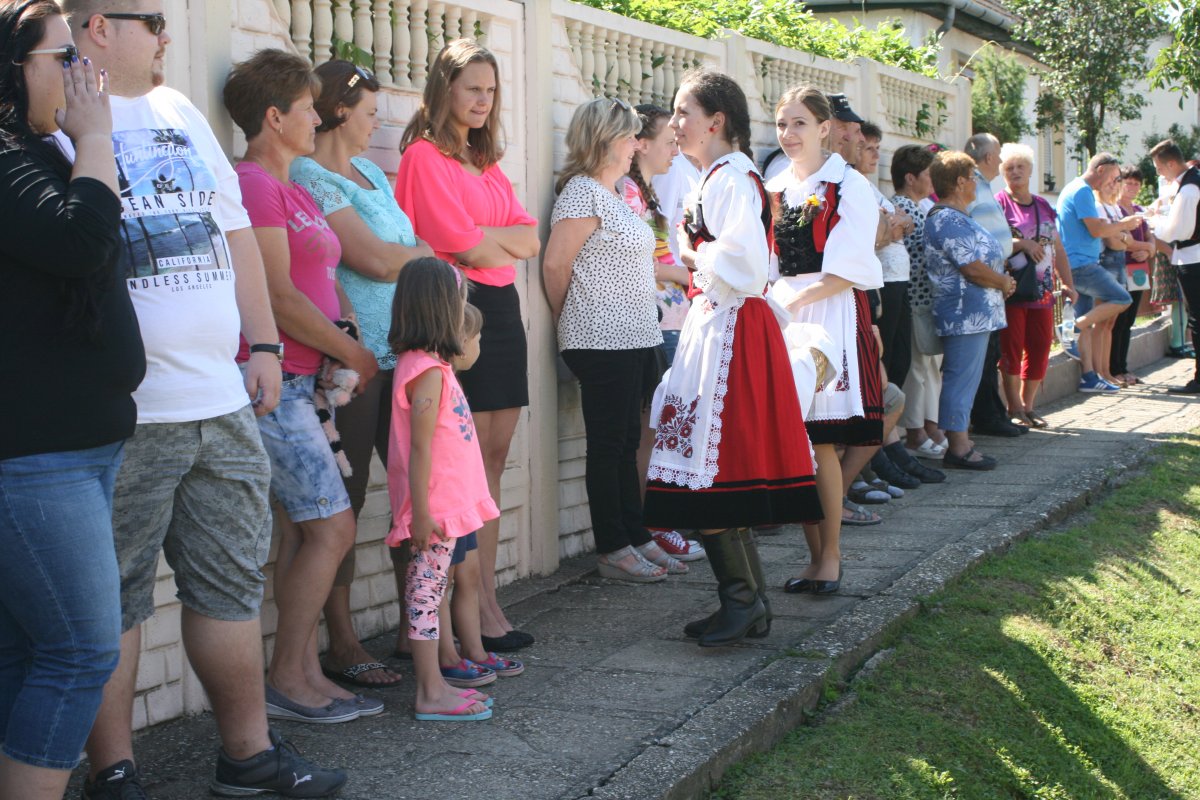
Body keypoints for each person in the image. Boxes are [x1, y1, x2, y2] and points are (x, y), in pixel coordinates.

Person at [63, 1, 345, 796]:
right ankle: (112, 775)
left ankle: (248, 760)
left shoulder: (179, 108)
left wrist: (258, 344)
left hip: (219, 401)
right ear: (97, 28)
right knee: (114, 602)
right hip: (126, 409)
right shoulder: (58, 122)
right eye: (149, 18)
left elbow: (234, 236)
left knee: (225, 584)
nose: (165, 33)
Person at [0, 4, 144, 797]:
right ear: (12, 67)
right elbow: (78, 240)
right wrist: (93, 141)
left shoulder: (32, 148)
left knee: (27, 654)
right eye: (63, 56)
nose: (81, 74)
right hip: (33, 458)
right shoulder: (7, 155)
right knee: (82, 652)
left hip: (74, 449)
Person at [224, 48, 385, 724]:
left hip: (308, 382)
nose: (317, 116)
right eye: (305, 107)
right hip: (276, 383)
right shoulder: (253, 183)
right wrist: (352, 348)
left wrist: (342, 331)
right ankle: (288, 677)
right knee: (331, 526)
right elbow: (277, 297)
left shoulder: (292, 186)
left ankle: (300, 670)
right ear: (273, 116)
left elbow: (321, 280)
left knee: (315, 528)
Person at [644, 68, 822, 646]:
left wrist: (694, 254)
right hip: (718, 327)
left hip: (729, 331)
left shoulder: (730, 178)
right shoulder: (719, 176)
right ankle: (749, 602)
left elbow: (744, 264)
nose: (676, 123)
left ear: (714, 121)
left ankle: (744, 602)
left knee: (716, 470)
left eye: (683, 112)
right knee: (713, 468)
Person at [291, 58, 434, 689]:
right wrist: (421, 257)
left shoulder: (373, 172)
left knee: (412, 492)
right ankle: (342, 641)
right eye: (371, 111)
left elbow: (399, 251)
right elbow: (375, 260)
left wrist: (413, 256)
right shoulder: (309, 176)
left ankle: (418, 628)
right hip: (351, 365)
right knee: (343, 504)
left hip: (405, 357)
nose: (379, 122)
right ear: (339, 110)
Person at [395, 39, 541, 651]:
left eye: (490, 90)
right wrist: (488, 238)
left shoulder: (487, 161)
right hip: (458, 314)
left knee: (495, 459)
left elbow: (529, 239)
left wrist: (485, 236)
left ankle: (484, 600)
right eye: (471, 88)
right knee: (460, 469)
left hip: (501, 312)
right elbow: (469, 247)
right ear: (445, 90)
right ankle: (453, 618)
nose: (482, 100)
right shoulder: (425, 157)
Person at [544, 97, 679, 582]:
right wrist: (572, 319)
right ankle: (612, 548)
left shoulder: (617, 191)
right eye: (629, 136)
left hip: (636, 334)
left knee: (626, 443)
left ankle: (636, 535)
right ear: (605, 140)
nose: (636, 145)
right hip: (600, 338)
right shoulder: (581, 192)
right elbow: (557, 265)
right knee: (608, 444)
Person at [764, 87, 883, 594]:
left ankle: (830, 557)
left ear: (824, 128)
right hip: (781, 312)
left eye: (798, 124)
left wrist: (789, 302)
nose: (788, 134)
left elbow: (851, 266)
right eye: (781, 124)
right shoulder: (773, 184)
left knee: (822, 439)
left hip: (829, 310)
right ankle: (814, 559)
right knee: (796, 441)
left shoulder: (848, 185)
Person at [385, 257, 499, 721]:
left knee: (427, 594)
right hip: (435, 509)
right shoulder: (425, 371)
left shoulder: (431, 365)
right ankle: (431, 692)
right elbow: (420, 450)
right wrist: (422, 513)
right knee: (425, 598)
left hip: (445, 506)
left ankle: (435, 686)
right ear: (440, 310)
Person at [623, 102, 704, 563]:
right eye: (668, 141)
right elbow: (650, 264)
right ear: (642, 144)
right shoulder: (630, 192)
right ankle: (654, 521)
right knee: (652, 429)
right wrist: (684, 278)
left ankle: (662, 518)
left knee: (665, 425)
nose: (675, 149)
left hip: (671, 318)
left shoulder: (650, 193)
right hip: (655, 319)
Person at [924, 151, 1016, 471]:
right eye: (974, 177)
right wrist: (1003, 282)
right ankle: (958, 448)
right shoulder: (946, 218)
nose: (978, 183)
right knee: (960, 379)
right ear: (961, 181)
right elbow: (972, 268)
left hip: (977, 313)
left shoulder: (959, 216)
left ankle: (960, 439)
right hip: (964, 313)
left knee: (968, 377)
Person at [995, 142, 1077, 427]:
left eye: (1020, 167)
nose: (1015, 172)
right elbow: (992, 243)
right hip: (1012, 289)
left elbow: (1058, 249)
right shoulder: (997, 204)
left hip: (1042, 290)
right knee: (1012, 347)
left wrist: (1068, 282)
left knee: (1041, 346)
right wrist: (1022, 243)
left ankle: (1028, 406)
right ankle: (1013, 408)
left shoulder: (1043, 205)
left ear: (1030, 170)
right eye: (1009, 168)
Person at [1055, 152, 1137, 393]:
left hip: (1078, 262)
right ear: (1100, 170)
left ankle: (1089, 377)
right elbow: (1096, 229)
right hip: (1081, 264)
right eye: (1113, 177)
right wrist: (1125, 224)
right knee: (1122, 298)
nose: (1113, 183)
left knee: (1091, 323)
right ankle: (1071, 328)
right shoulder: (1081, 191)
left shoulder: (1076, 188)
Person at [963, 133, 1027, 438]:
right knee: (985, 355)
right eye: (998, 155)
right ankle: (988, 417)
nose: (1001, 161)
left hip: (993, 279)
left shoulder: (984, 186)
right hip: (981, 280)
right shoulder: (972, 185)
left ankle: (994, 413)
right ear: (988, 158)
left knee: (992, 352)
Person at [891, 144, 948, 461]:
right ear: (911, 177)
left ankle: (929, 424)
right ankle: (915, 430)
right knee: (917, 369)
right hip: (914, 300)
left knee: (930, 367)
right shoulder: (902, 206)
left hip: (927, 300)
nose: (933, 180)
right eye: (928, 174)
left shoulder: (922, 206)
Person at [1147, 139, 1200, 393]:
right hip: (1191, 256)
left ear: (1170, 163)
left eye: (1159, 168)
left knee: (1197, 320)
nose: (1158, 173)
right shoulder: (1190, 182)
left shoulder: (1189, 189)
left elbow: (1178, 230)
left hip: (1193, 259)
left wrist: (1153, 220)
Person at [1109, 165, 1154, 386]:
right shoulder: (1116, 210)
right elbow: (1120, 239)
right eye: (1129, 182)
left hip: (1138, 271)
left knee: (1129, 321)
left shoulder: (1138, 210)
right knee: (1118, 320)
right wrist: (1145, 246)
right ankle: (1113, 368)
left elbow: (1149, 236)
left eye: (1137, 183)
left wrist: (1148, 249)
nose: (1133, 187)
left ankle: (1123, 367)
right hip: (1121, 268)